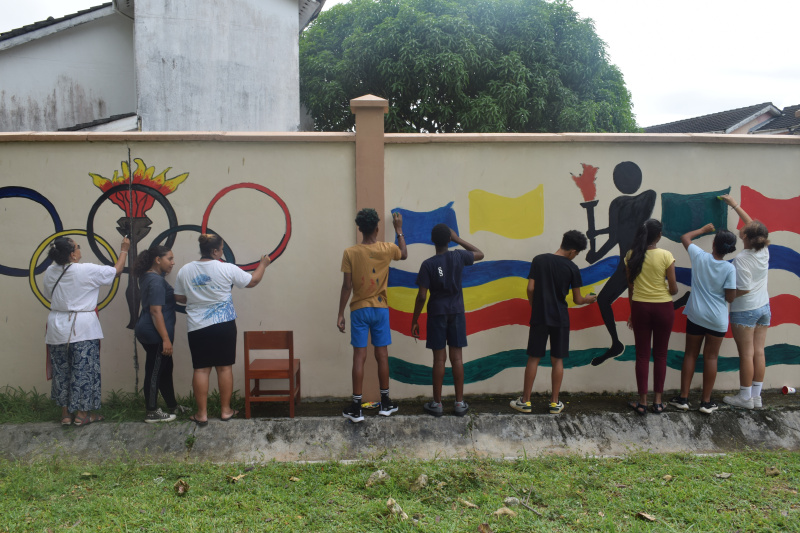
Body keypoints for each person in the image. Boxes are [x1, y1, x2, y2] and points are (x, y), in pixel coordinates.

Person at [174, 234, 271, 426]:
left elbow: (178, 297)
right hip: (224, 325)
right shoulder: (227, 268)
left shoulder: (185, 270)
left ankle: (202, 414)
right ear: (215, 251)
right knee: (224, 367)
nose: (222, 252)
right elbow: (252, 281)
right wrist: (263, 265)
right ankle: (226, 410)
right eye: (221, 249)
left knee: (201, 370)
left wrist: (196, 298)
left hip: (197, 326)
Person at [43, 235, 130, 426]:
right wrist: (124, 250)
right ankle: (82, 415)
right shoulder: (85, 270)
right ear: (73, 255)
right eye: (78, 247)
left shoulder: (50, 271)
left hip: (57, 327)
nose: (80, 249)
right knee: (83, 372)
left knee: (62, 371)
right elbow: (117, 271)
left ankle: (65, 414)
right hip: (82, 328)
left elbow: (48, 294)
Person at [510, 230, 597, 415]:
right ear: (573, 251)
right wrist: (589, 299)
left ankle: (525, 401)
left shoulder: (539, 260)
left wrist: (535, 306)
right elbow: (578, 299)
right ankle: (554, 403)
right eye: (577, 254)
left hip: (540, 316)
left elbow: (530, 288)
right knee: (557, 360)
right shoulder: (572, 268)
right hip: (561, 318)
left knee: (534, 357)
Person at [338, 208, 407, 423]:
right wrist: (399, 230)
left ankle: (357, 408)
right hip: (380, 309)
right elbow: (403, 254)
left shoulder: (350, 252)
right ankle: (385, 403)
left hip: (359, 310)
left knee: (359, 356)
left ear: (359, 229)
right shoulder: (387, 249)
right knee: (382, 355)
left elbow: (347, 286)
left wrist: (340, 313)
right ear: (377, 228)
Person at [411, 224, 484, 417]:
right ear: (449, 240)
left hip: (437, 314)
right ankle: (459, 403)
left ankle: (437, 404)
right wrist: (458, 239)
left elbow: (421, 296)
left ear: (432, 241)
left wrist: (415, 319)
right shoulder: (458, 256)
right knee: (457, 358)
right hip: (457, 312)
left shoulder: (428, 264)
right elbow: (480, 253)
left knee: (439, 360)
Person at [669, 224, 737, 415]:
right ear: (729, 249)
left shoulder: (700, 257)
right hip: (717, 320)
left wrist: (703, 230)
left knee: (690, 354)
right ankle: (705, 402)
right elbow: (730, 298)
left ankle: (683, 398)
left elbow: (685, 237)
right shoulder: (729, 269)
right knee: (711, 357)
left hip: (696, 315)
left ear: (714, 244)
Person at [719, 194, 770, 410]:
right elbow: (753, 227)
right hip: (764, 307)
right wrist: (736, 206)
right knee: (759, 352)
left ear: (746, 237)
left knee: (746, 355)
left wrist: (728, 296)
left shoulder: (742, 259)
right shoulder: (764, 249)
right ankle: (756, 397)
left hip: (746, 310)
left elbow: (744, 288)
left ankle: (744, 397)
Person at [624, 219, 678, 415]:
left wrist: (632, 311)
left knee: (642, 355)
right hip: (663, 308)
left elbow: (631, 288)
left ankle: (642, 402)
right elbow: (673, 289)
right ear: (659, 236)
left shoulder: (631, 255)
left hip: (640, 307)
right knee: (661, 354)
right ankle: (658, 401)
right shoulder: (666, 255)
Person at [134, 245, 183, 423]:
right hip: (154, 334)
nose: (172, 262)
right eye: (169, 259)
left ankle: (172, 405)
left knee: (165, 369)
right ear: (157, 260)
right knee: (154, 371)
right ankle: (152, 411)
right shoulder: (154, 281)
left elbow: (174, 298)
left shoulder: (152, 277)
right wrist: (165, 339)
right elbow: (156, 311)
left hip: (153, 332)